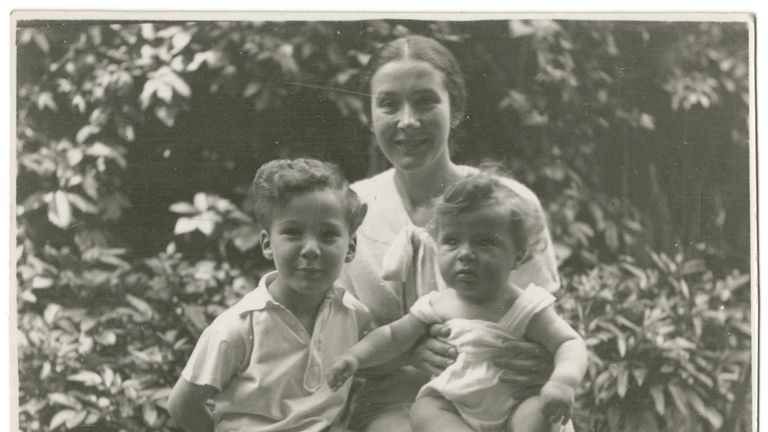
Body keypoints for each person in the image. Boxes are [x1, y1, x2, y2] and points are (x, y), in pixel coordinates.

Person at [338, 35, 562, 432]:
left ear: (455, 109)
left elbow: (550, 326)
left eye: (426, 101)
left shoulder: (507, 203)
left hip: (501, 395)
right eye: (389, 104)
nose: (408, 121)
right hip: (394, 403)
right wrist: (408, 353)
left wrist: (546, 361)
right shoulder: (350, 209)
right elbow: (335, 343)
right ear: (369, 115)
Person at [330, 174, 586, 432]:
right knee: (426, 410)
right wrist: (355, 357)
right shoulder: (436, 305)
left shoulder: (527, 306)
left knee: (538, 411)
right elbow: (393, 336)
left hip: (516, 402)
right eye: (452, 241)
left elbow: (569, 342)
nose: (465, 254)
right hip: (453, 407)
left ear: (518, 256)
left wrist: (562, 381)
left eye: (485, 242)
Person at [166, 158, 371, 432]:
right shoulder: (238, 327)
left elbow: (381, 360)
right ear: (266, 243)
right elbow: (182, 405)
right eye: (293, 232)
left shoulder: (354, 315)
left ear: (351, 246)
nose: (311, 248)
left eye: (328, 234)